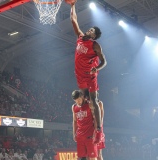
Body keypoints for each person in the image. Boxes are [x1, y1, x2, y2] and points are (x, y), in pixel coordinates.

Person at [70, 0, 107, 144]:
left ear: (94, 36)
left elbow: (104, 62)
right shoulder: (79, 38)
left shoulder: (95, 45)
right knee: (84, 102)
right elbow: (73, 20)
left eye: (92, 31)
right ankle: (87, 132)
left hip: (90, 76)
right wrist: (72, 5)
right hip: (80, 76)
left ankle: (98, 130)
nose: (89, 30)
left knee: (93, 101)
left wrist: (96, 68)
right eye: (90, 28)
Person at [72, 90, 98, 160]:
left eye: (79, 99)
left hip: (90, 135)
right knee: (81, 157)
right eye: (76, 100)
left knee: (92, 157)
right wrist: (74, 133)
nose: (78, 102)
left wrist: (96, 132)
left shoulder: (89, 104)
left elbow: (95, 119)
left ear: (83, 97)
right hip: (80, 136)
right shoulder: (74, 107)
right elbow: (74, 121)